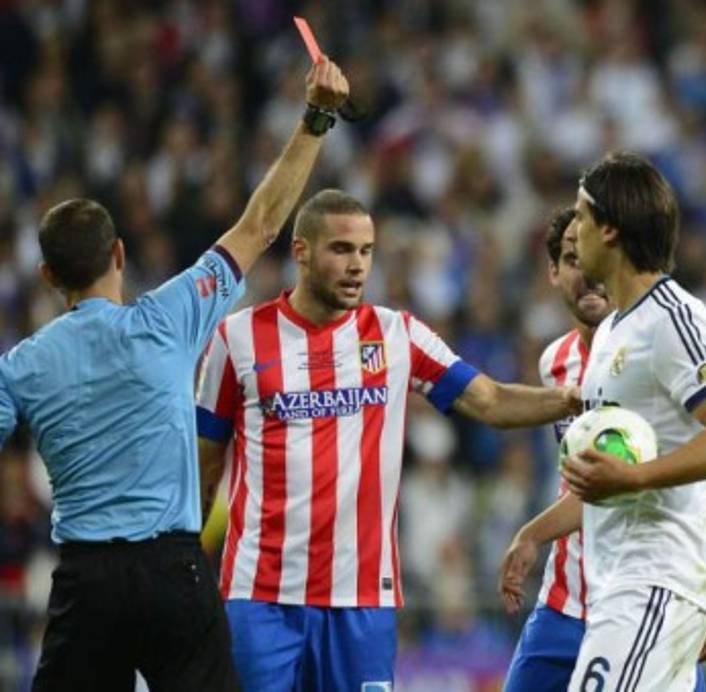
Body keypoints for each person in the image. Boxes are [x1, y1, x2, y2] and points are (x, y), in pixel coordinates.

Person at [0, 58, 350, 691]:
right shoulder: (171, 316)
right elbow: (262, 224)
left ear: (48, 276)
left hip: (88, 583)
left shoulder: (20, 367)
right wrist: (317, 118)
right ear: (119, 254)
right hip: (173, 572)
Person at [194, 188, 583, 691]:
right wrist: (186, 562)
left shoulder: (395, 334)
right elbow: (204, 466)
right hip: (261, 596)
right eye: (341, 249)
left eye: (366, 250)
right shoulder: (238, 338)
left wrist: (575, 398)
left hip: (363, 601)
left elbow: (490, 401)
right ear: (301, 253)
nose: (357, 265)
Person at [509, 152, 706, 692]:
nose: (571, 230)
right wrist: (535, 534)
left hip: (658, 580)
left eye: (580, 216)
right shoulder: (617, 333)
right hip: (618, 584)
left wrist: (635, 479)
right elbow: (612, 481)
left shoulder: (675, 316)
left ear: (611, 230)